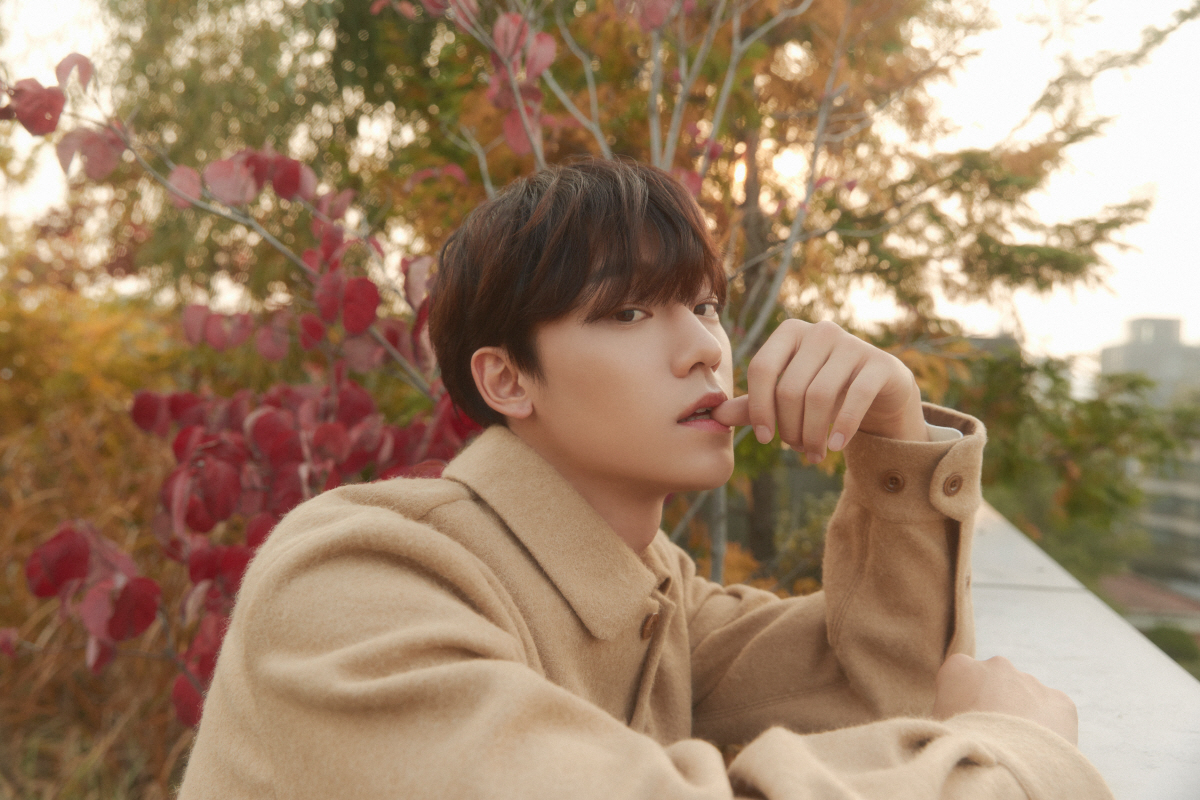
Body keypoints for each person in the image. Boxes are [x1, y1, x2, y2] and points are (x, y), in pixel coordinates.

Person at [177, 159, 1111, 798]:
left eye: (704, 305)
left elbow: (885, 688)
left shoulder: (656, 599)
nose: (703, 347)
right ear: (507, 379)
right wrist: (1012, 760)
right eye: (628, 312)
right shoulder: (355, 583)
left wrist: (895, 441)